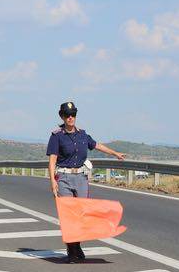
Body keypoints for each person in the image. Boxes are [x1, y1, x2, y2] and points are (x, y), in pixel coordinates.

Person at [46, 101, 125, 262]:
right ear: (62, 116)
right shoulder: (57, 136)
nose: (70, 117)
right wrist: (52, 181)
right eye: (67, 115)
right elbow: (52, 160)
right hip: (64, 178)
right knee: (69, 216)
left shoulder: (82, 134)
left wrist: (114, 153)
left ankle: (77, 245)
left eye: (73, 114)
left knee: (82, 215)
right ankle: (71, 249)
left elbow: (97, 145)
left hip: (81, 178)